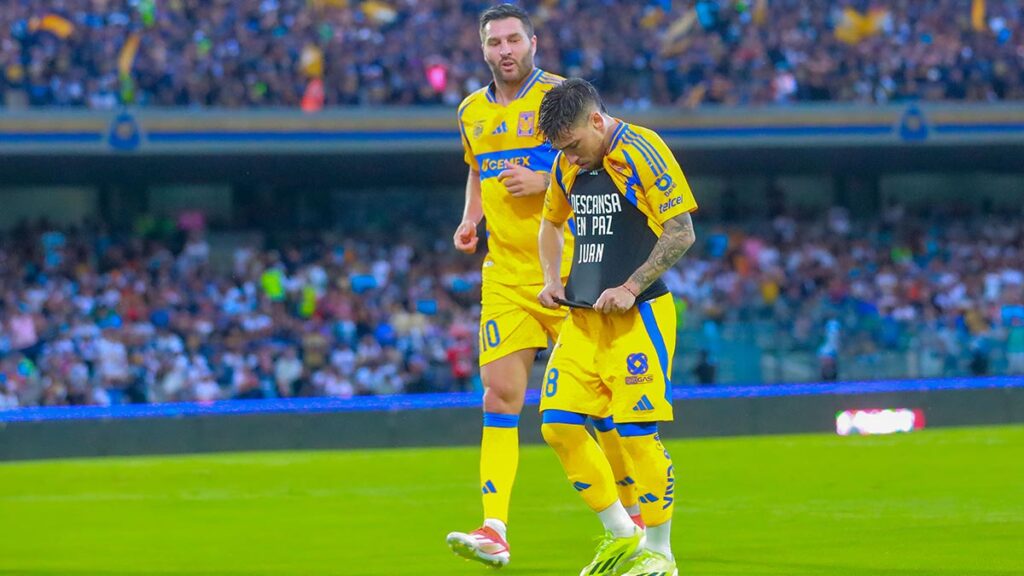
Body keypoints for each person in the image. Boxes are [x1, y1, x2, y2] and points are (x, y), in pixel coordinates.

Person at [445, 5, 642, 569]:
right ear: (483, 50)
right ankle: (494, 528)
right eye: (494, 42)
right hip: (505, 274)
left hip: (572, 269)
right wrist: (471, 217)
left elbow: (605, 159)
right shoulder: (471, 111)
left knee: (597, 404)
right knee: (499, 395)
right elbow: (476, 168)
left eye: (513, 39)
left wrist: (542, 180)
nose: (504, 50)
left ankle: (636, 520)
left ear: (533, 42)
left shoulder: (564, 98)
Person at [536, 78, 697, 576]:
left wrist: (630, 286)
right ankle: (624, 536)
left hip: (638, 315)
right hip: (582, 318)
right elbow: (550, 224)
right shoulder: (567, 164)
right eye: (561, 149)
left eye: (574, 145)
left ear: (597, 121)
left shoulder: (644, 150)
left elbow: (682, 231)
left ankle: (661, 554)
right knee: (557, 426)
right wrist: (548, 280)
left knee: (635, 433)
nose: (571, 157)